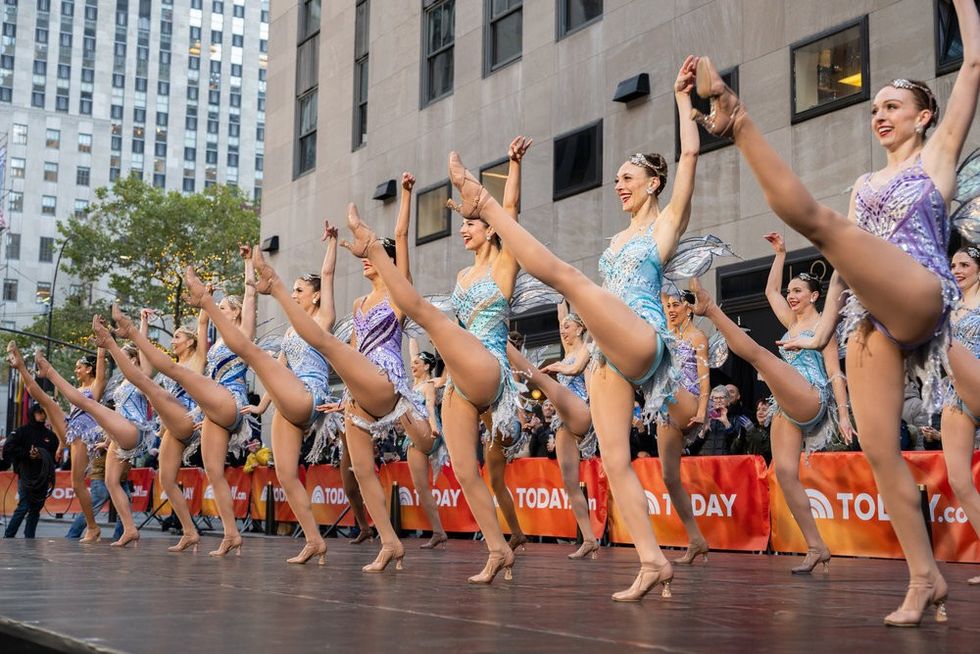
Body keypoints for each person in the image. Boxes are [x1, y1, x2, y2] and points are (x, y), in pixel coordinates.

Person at [692, 0, 980, 622]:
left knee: (816, 225)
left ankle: (739, 119)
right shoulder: (863, 186)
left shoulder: (938, 157)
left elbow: (975, 62)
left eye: (892, 107)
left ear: (924, 117)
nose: (879, 116)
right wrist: (826, 324)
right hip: (868, 318)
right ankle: (923, 577)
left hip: (920, 293)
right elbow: (848, 269)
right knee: (880, 452)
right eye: (873, 109)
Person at [428, 60, 707, 600]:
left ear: (653, 183)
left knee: (569, 278)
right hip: (607, 353)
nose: (619, 184)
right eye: (619, 178)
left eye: (628, 177)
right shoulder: (617, 239)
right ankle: (652, 562)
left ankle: (482, 200)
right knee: (616, 461)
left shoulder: (666, 224)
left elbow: (690, 155)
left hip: (643, 335)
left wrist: (680, 99)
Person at [338, 139, 536, 585]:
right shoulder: (463, 275)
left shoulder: (505, 263)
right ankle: (498, 549)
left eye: (471, 224)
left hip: (488, 365)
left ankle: (374, 246)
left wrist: (513, 166)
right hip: (460, 377)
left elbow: (512, 209)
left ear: (489, 228)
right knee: (466, 471)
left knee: (427, 314)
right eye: (462, 225)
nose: (464, 230)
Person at [249, 175, 438, 572]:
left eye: (374, 253)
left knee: (324, 341)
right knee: (360, 471)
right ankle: (389, 543)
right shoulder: (358, 301)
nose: (367, 258)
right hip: (357, 387)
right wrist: (343, 394)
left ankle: (415, 420)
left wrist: (405, 195)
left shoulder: (398, 293)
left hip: (385, 378)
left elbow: (401, 236)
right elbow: (350, 352)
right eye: (366, 254)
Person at [184, 235, 342, 565]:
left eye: (300, 290)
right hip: (286, 400)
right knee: (285, 475)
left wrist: (331, 243)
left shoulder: (322, 318)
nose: (295, 294)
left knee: (253, 352)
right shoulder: (288, 334)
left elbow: (327, 275)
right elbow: (277, 371)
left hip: (309, 395)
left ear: (314, 297)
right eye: (293, 289)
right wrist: (261, 406)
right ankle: (314, 540)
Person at [114, 250, 258, 557]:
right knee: (204, 473)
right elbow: (204, 322)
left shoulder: (242, 333)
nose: (219, 309)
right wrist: (204, 297)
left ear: (234, 313)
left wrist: (247, 264)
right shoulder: (214, 342)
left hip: (229, 400)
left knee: (170, 373)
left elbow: (249, 295)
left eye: (223, 307)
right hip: (207, 410)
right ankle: (227, 534)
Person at [36, 318, 158, 548]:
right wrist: (107, 440)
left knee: (88, 404)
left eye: (124, 355)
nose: (119, 359)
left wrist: (141, 324)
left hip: (133, 431)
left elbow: (141, 348)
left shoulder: (141, 377)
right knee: (112, 483)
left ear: (133, 360)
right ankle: (130, 529)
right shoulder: (120, 385)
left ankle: (50, 371)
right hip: (115, 436)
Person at [102, 308, 206, 553]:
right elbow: (146, 354)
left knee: (151, 388)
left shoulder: (197, 359)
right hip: (169, 425)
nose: (172, 341)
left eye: (177, 337)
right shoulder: (170, 367)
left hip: (186, 418)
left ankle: (227, 533)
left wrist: (203, 302)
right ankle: (190, 531)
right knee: (166, 481)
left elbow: (202, 323)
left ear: (190, 341)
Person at [658, 291, 711, 564]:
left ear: (688, 308)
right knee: (669, 478)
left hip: (688, 401)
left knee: (655, 372)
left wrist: (702, 411)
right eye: (667, 306)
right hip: (668, 409)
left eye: (675, 305)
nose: (670, 309)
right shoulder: (667, 335)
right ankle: (696, 539)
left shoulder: (697, 337)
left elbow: (704, 380)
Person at [941, 246, 980, 585]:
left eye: (965, 264)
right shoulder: (948, 308)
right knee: (958, 480)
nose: (957, 269)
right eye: (953, 264)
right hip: (956, 396)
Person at [409, 340, 450, 549]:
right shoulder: (415, 385)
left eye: (416, 363)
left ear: (426, 366)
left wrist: (434, 428)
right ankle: (438, 531)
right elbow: (412, 350)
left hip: (428, 432)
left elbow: (431, 408)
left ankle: (438, 531)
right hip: (414, 437)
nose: (412, 365)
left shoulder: (429, 386)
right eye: (412, 363)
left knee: (400, 404)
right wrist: (407, 324)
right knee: (421, 488)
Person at [2, 403, 59, 538]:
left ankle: (30, 538)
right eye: (39, 412)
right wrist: (27, 454)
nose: (42, 415)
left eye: (44, 412)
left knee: (36, 508)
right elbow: (8, 448)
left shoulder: (50, 436)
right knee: (24, 506)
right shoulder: (21, 431)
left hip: (42, 477)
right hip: (26, 474)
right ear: (32, 413)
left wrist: (42, 455)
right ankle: (9, 536)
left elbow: (55, 456)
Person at [65, 437, 127, 542]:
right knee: (94, 504)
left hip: (121, 473)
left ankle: (120, 537)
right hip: (103, 472)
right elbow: (96, 445)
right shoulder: (102, 427)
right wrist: (106, 442)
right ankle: (72, 535)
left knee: (125, 505)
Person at [731, 398, 773, 464]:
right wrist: (740, 437)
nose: (760, 412)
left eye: (764, 410)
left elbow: (767, 448)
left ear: (771, 413)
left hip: (764, 469)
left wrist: (752, 430)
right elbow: (734, 451)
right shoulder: (752, 428)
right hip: (749, 468)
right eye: (758, 409)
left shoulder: (773, 429)